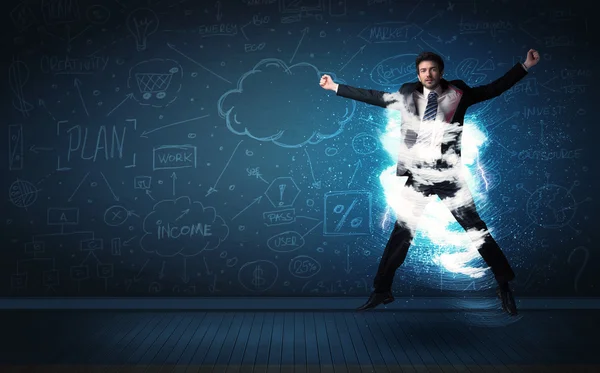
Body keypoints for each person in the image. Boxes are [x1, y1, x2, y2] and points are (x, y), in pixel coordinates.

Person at [319, 49, 540, 316]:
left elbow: (494, 88)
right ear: (418, 74)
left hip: (448, 176)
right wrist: (335, 87)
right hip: (420, 175)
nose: (428, 74)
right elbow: (374, 96)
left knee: (477, 231)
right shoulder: (407, 95)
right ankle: (381, 290)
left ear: (441, 72)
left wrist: (525, 66)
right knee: (401, 235)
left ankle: (504, 285)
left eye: (433, 70)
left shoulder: (459, 93)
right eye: (423, 70)